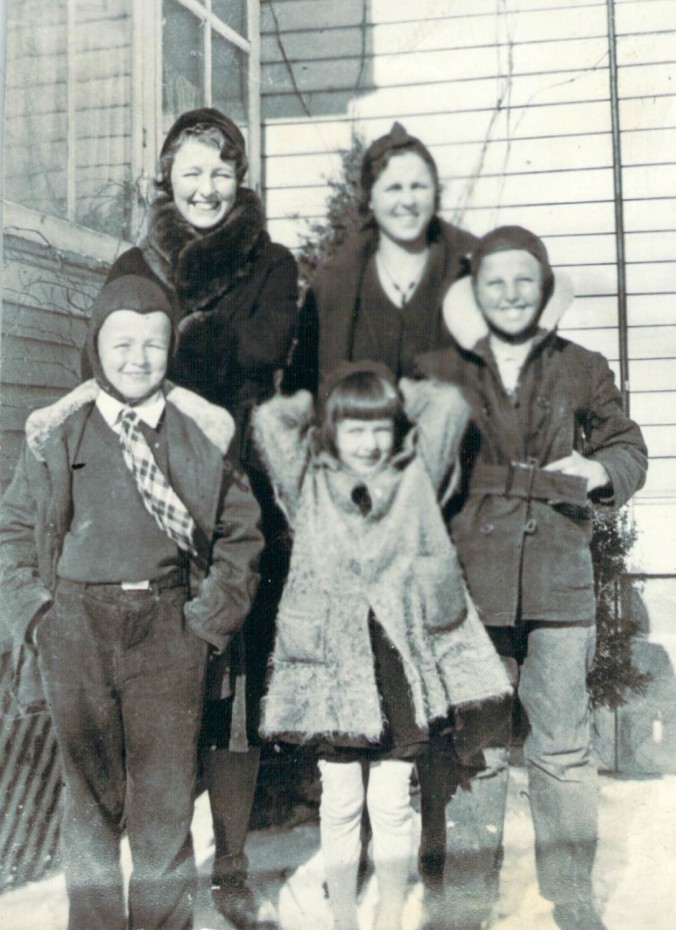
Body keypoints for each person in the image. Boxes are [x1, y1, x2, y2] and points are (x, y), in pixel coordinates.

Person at [0, 274, 264, 930]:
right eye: (122, 344)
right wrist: (36, 617)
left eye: (154, 344)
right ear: (96, 346)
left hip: (168, 630)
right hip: (76, 628)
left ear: (171, 349)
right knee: (88, 809)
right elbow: (11, 530)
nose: (138, 359)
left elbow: (242, 534)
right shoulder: (58, 432)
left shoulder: (199, 433)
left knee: (165, 809)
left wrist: (205, 624)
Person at [416, 226, 649, 930]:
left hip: (558, 585)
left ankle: (572, 898)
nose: (511, 294)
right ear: (475, 293)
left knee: (564, 750)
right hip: (472, 588)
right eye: (496, 282)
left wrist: (600, 469)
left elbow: (627, 447)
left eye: (525, 280)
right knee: (475, 748)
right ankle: (466, 902)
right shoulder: (442, 370)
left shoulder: (581, 365)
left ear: (545, 289)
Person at [100, 107, 299, 914]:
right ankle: (162, 871)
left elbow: (264, 349)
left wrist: (172, 348)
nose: (206, 188)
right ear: (168, 178)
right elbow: (110, 362)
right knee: (161, 686)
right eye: (191, 172)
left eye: (221, 172)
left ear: (239, 179)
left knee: (234, 689)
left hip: (237, 496)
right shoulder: (134, 263)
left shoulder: (271, 263)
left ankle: (234, 868)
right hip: (145, 495)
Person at [253, 363, 511, 930]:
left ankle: (390, 912)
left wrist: (401, 391)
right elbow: (272, 424)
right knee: (341, 803)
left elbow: (447, 408)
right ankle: (345, 917)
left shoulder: (413, 479)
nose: (369, 443)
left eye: (380, 429)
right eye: (354, 429)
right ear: (331, 432)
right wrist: (312, 399)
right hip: (333, 670)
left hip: (396, 665)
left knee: (392, 803)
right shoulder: (309, 484)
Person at [286, 122, 477, 394]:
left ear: (435, 194)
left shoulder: (470, 268)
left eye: (419, 187)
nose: (408, 201)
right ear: (370, 199)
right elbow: (302, 385)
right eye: (394, 188)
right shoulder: (334, 285)